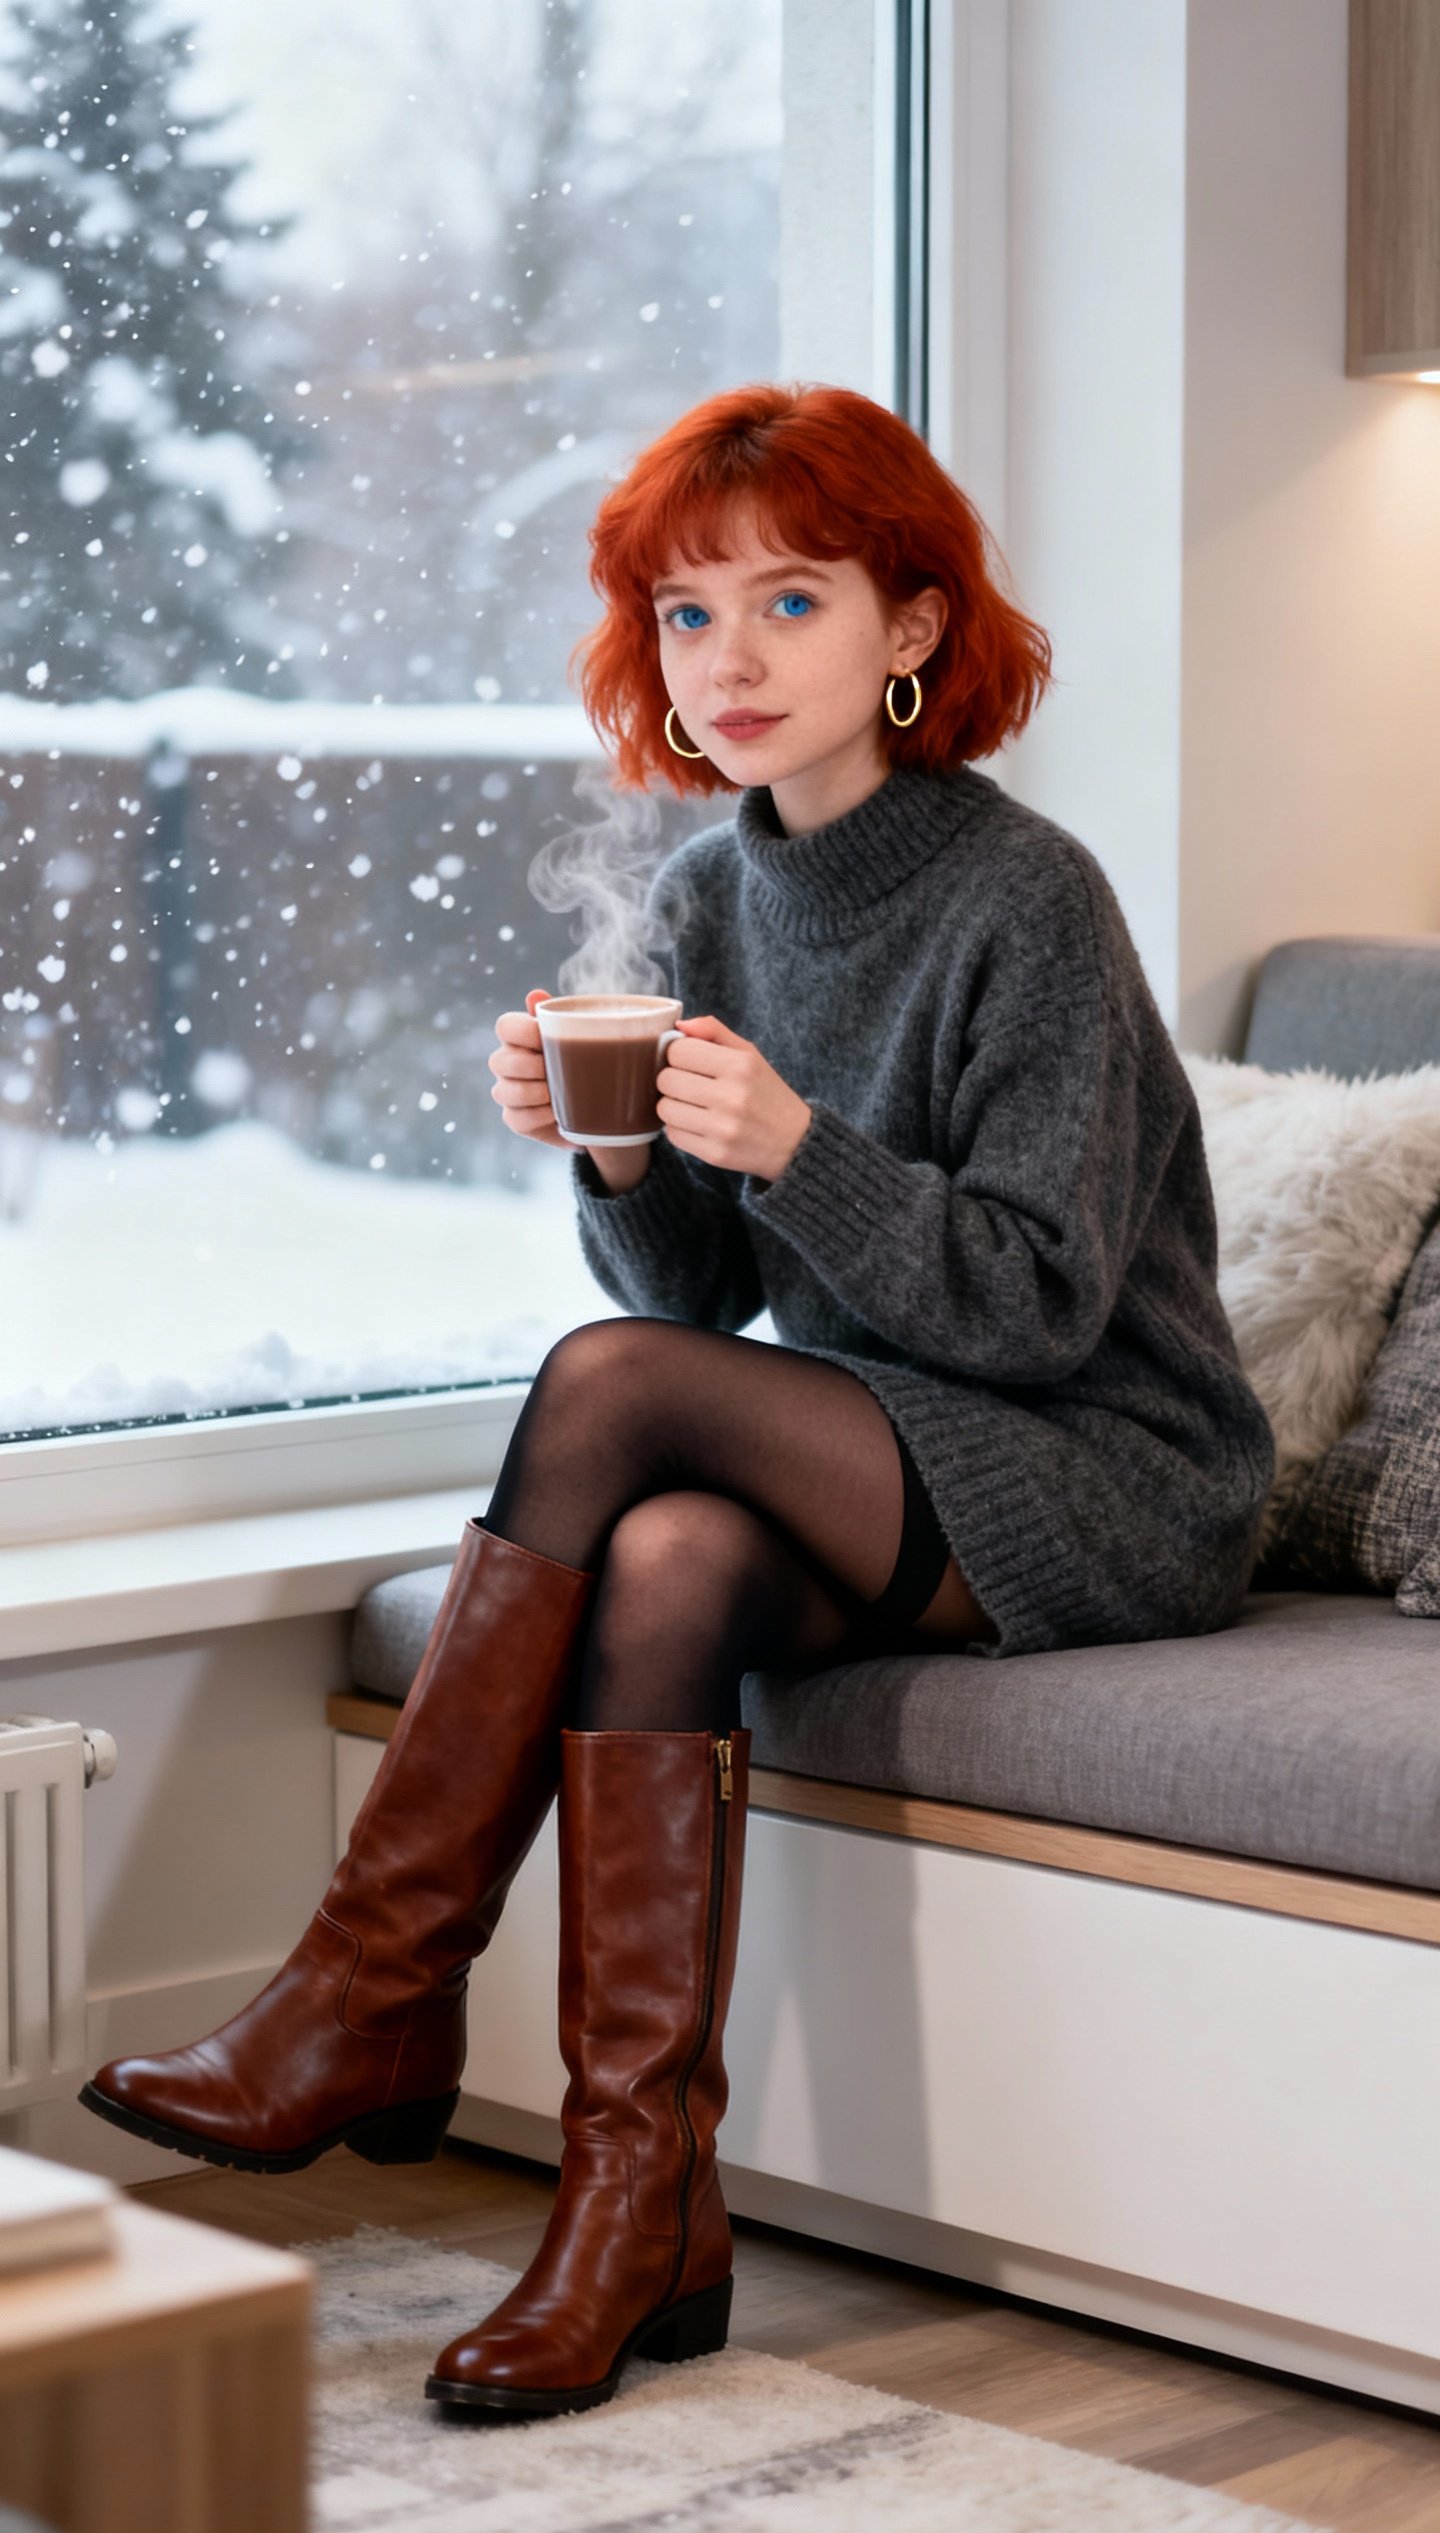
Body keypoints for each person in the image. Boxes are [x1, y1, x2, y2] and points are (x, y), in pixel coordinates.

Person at [80, 382, 1275, 2421]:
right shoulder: (714, 894)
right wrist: (623, 1152)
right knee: (668, 1556)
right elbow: (699, 1305)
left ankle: (373, 1985)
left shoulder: (1028, 898)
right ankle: (642, 2202)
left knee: (610, 1393)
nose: (728, 659)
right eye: (687, 613)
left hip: (1109, 1469)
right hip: (883, 1447)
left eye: (790, 601)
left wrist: (796, 1143)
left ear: (913, 625)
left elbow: (1040, 1306)